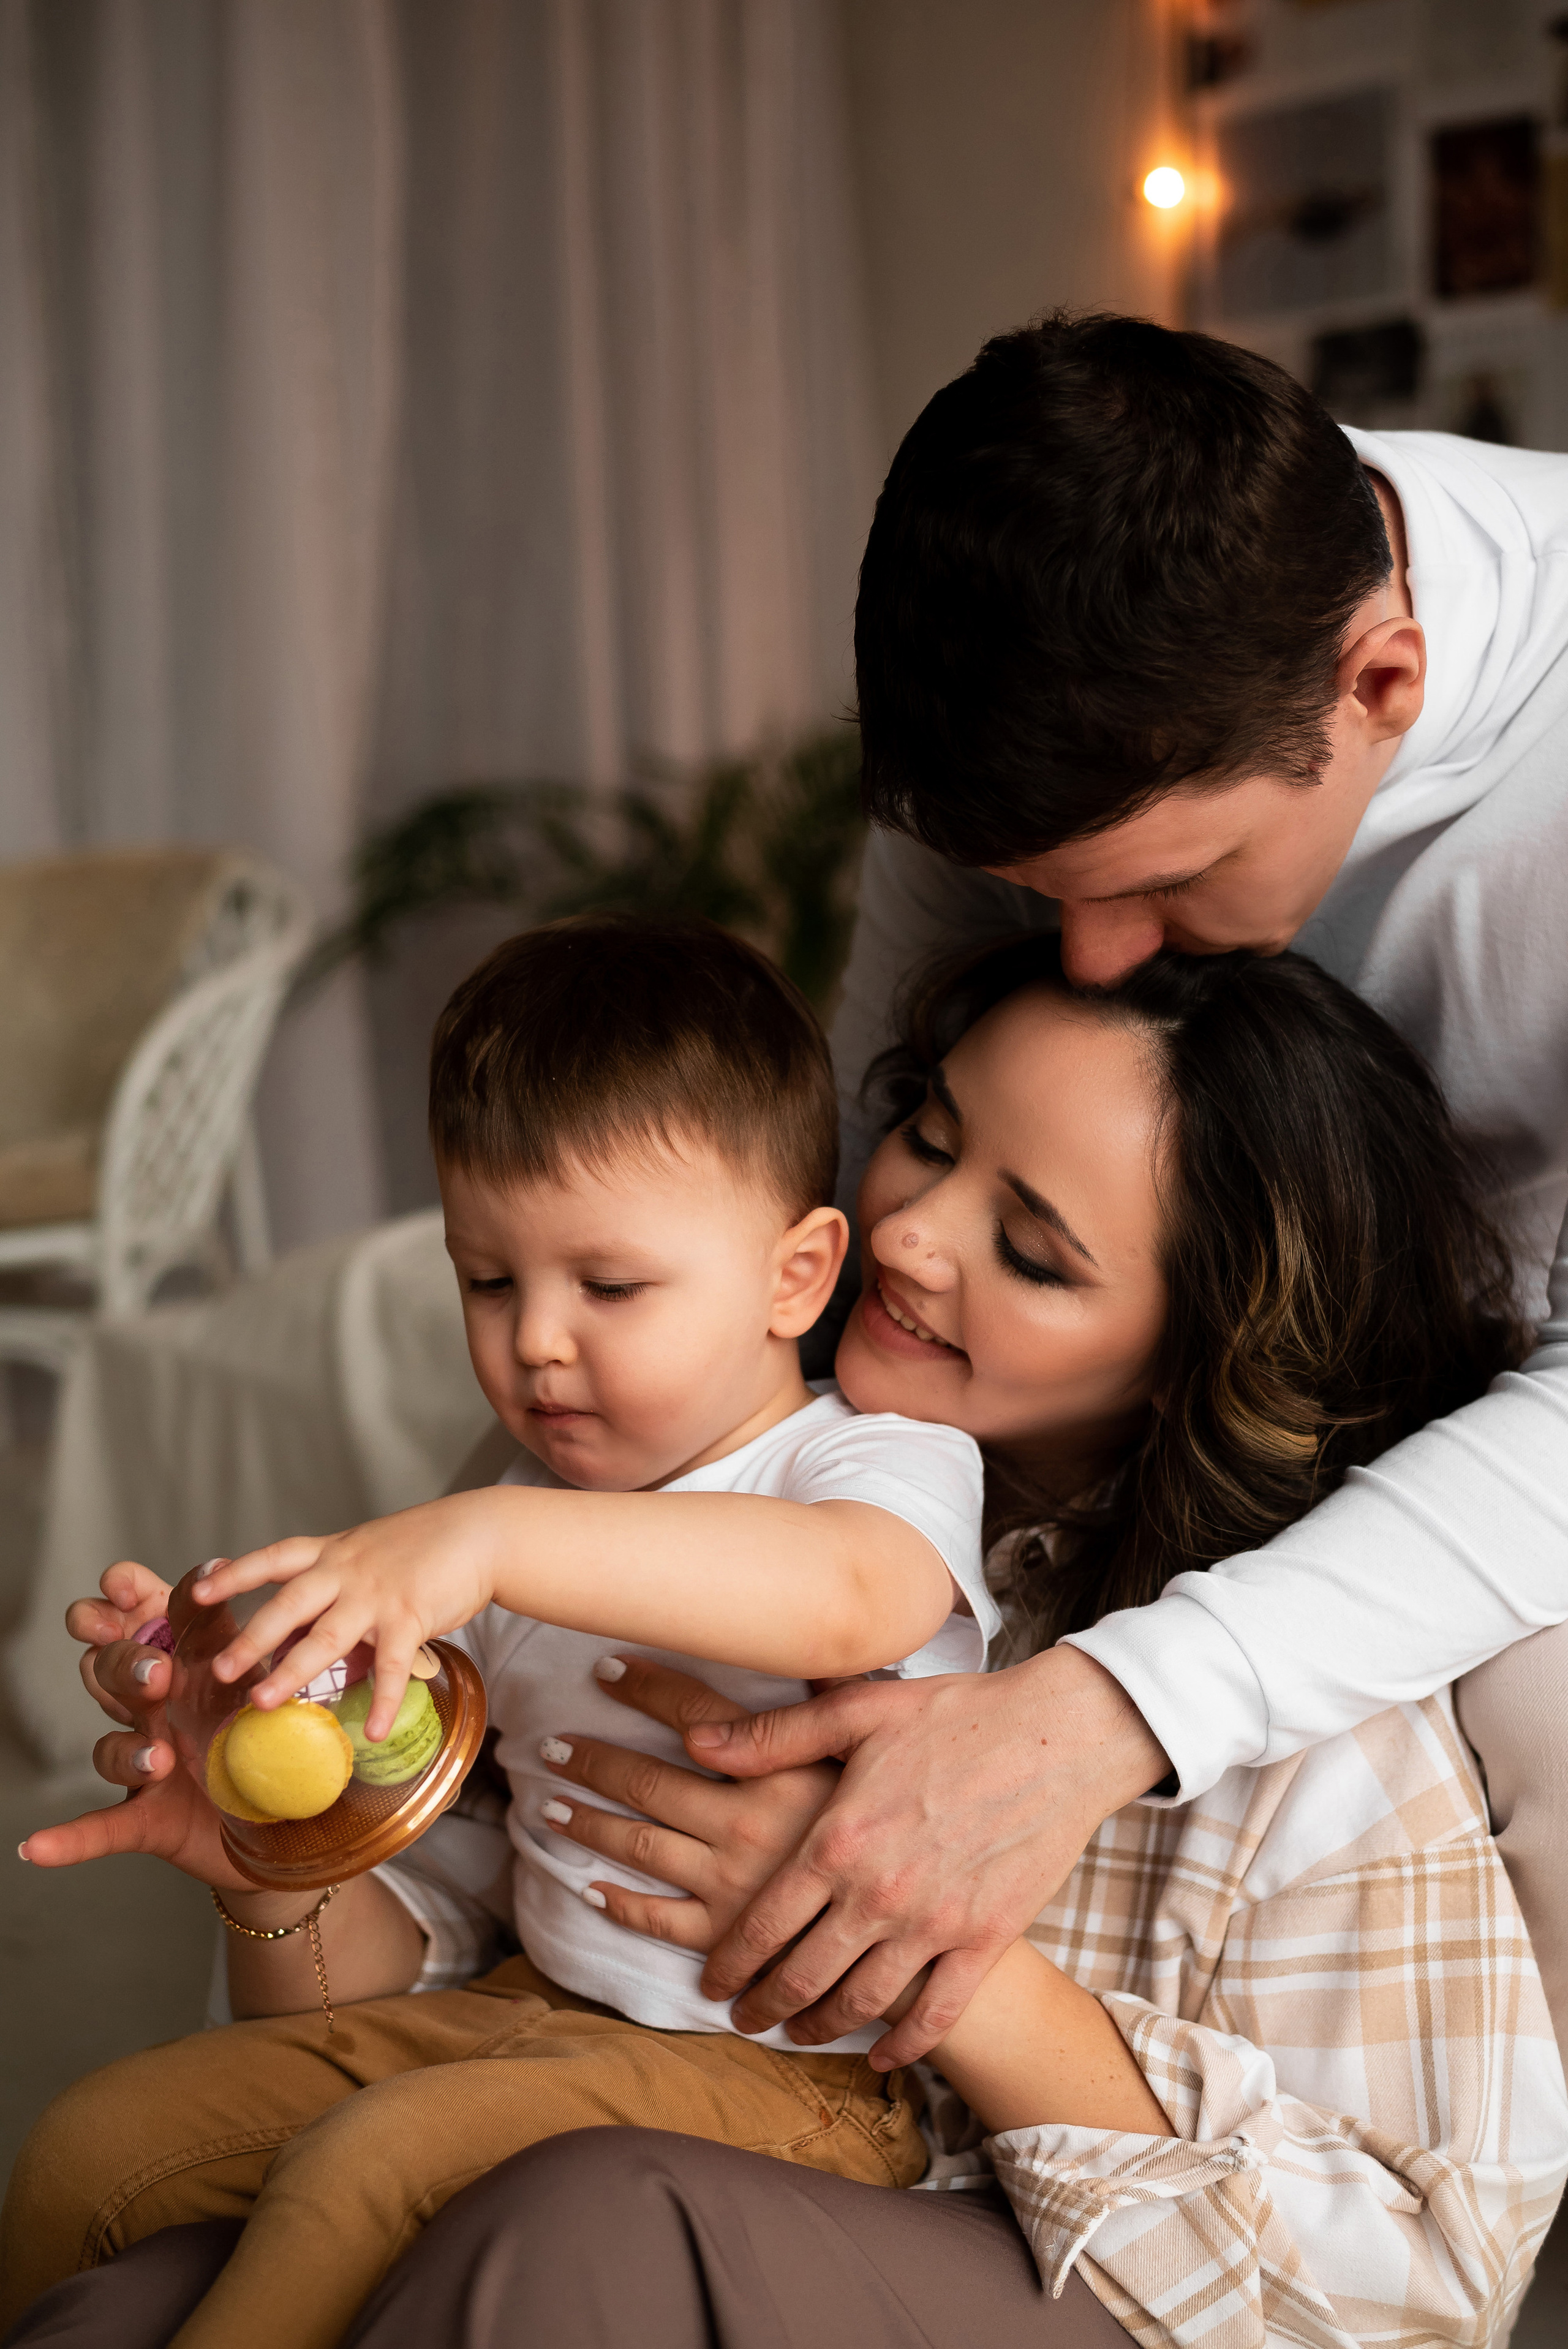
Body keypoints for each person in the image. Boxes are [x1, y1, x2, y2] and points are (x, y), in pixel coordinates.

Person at [12, 930, 1565, 2349]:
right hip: (554, 2058)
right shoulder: (625, 1467)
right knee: (132, 2252)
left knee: (549, 2217)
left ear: (1190, 1353)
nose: (906, 1236)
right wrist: (281, 1863)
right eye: (928, 1139)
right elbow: (427, 1965)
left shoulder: (1310, 1686)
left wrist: (924, 1957)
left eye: (1031, 1250)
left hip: (894, 2201)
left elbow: (1419, 2286)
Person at [570, 310, 1568, 2070]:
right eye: (1033, 894)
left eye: (1163, 885)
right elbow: (871, 1141)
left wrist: (1112, 1708)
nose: (1087, 960)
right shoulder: (1067, 638)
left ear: (1384, 685)